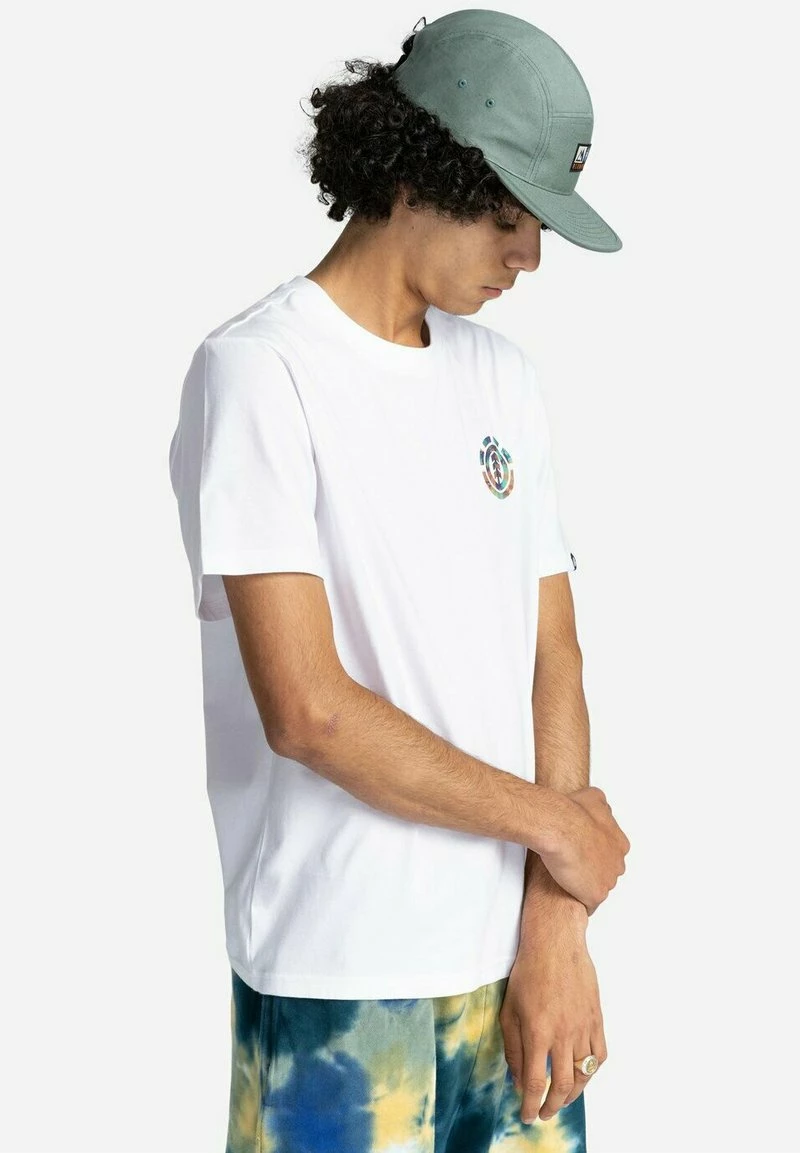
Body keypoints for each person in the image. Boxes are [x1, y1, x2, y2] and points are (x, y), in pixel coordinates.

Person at [167, 10, 630, 1152]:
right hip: (339, 973)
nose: (529, 257)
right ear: (419, 171)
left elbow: (552, 650)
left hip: (514, 970)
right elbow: (307, 709)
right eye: (509, 217)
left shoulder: (504, 380)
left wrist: (555, 920)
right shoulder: (261, 373)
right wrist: (557, 829)